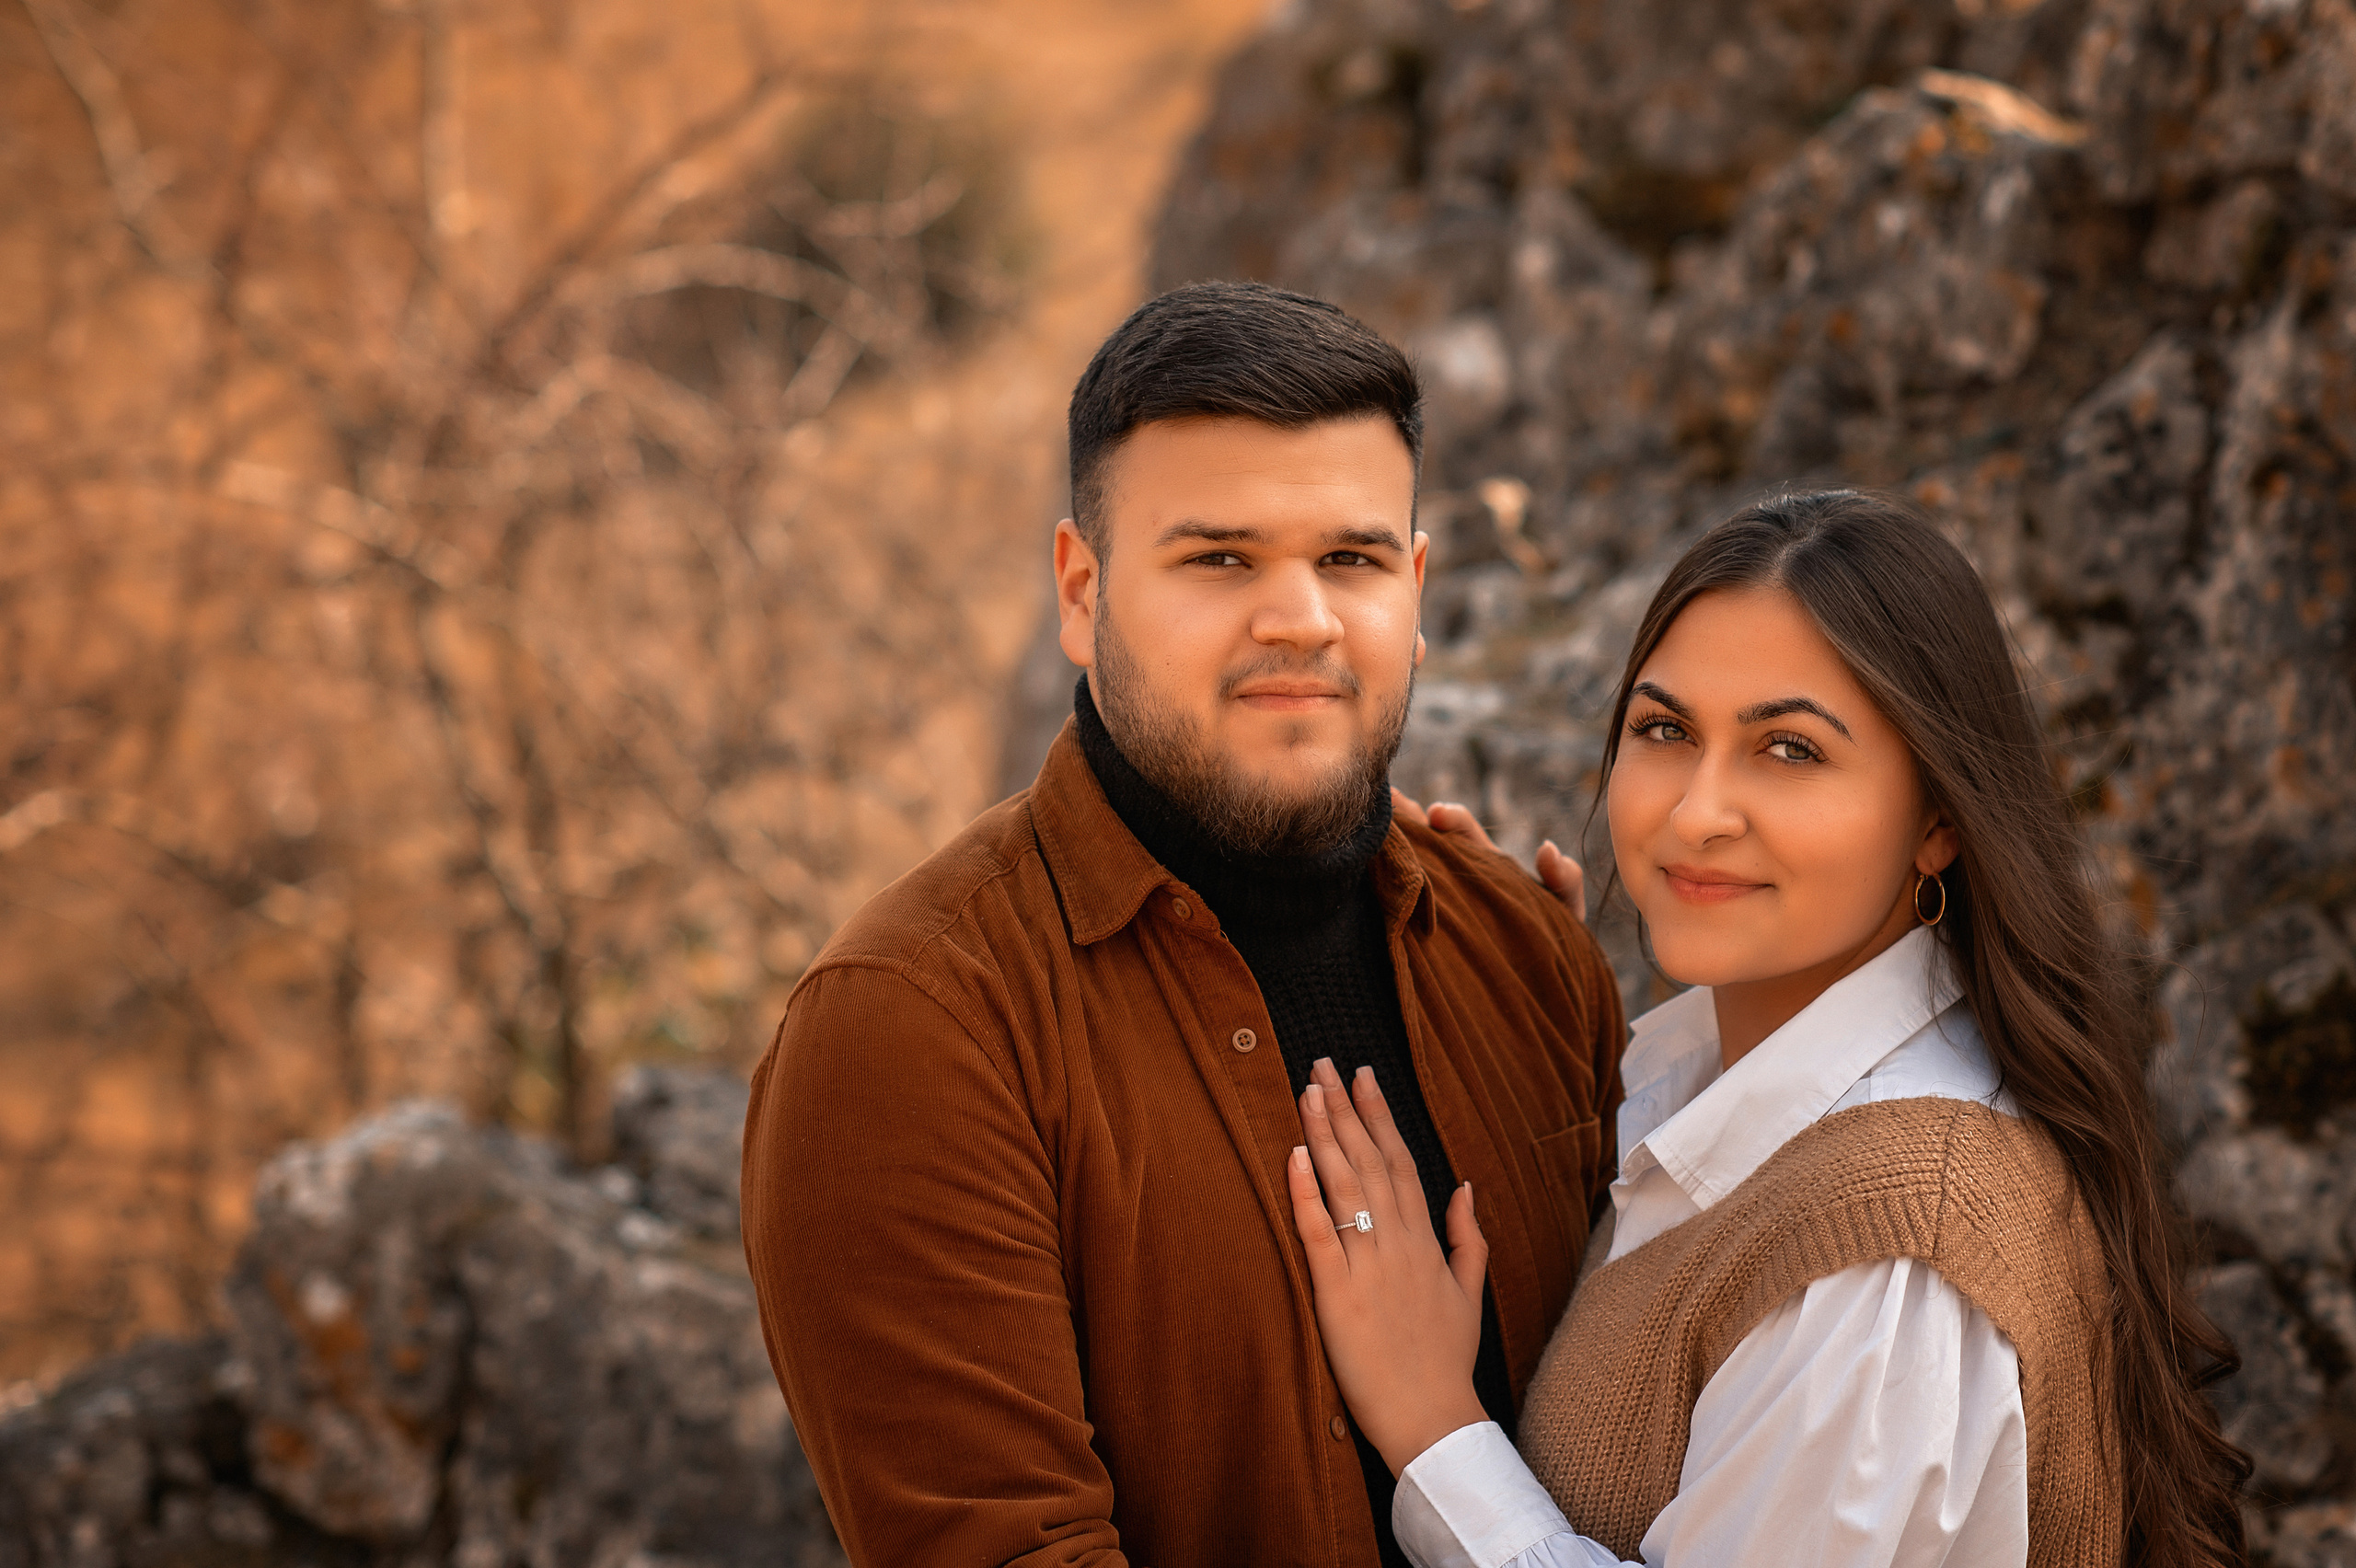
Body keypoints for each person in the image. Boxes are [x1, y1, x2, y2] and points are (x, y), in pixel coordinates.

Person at [739, 281, 1626, 1567]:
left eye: (1353, 559)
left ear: (1418, 591)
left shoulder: (1529, 954)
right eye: (1220, 558)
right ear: (1083, 590)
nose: (1301, 618)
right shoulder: (913, 1031)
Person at [1285, 490, 2250, 1567]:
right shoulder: (1703, 1075)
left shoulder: (1892, 1260)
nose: (1695, 812)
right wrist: (1532, 1015)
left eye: (1788, 750)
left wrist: (1433, 1427)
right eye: (1664, 730)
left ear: (1938, 821)